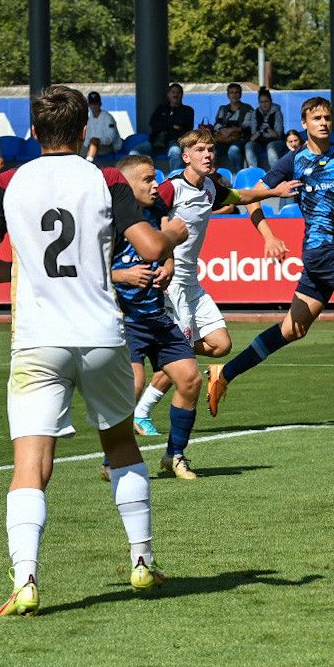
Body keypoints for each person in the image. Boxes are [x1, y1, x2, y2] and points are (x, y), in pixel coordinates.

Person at [0, 85, 168, 617]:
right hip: (100, 334)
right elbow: (150, 248)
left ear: (34, 131)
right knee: (120, 444)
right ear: (84, 132)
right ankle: (142, 561)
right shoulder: (106, 178)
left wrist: (27, 272)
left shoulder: (8, 182)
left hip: (38, 339)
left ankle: (25, 580)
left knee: (30, 464)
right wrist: (172, 233)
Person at [207, 97, 334, 417]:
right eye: (316, 118)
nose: (323, 122)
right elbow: (252, 199)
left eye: (327, 117)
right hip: (322, 251)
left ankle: (225, 373)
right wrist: (269, 236)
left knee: (292, 329)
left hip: (326, 253)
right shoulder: (292, 161)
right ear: (304, 124)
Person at [127, 129, 299, 456]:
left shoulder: (210, 187)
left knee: (221, 344)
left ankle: (164, 352)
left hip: (192, 282)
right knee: (182, 354)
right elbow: (148, 221)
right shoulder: (171, 188)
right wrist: (164, 259)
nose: (208, 155)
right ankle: (143, 411)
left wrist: (273, 191)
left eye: (210, 150)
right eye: (200, 150)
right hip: (172, 284)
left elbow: (240, 197)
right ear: (186, 156)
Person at [106, 155, 200, 481]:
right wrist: (123, 275)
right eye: (147, 179)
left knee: (190, 379)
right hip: (125, 319)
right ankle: (111, 459)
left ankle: (175, 455)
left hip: (157, 315)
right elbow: (88, 270)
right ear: (126, 184)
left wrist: (169, 263)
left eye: (156, 178)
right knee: (133, 385)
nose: (156, 186)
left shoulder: (157, 210)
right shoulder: (108, 220)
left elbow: (164, 247)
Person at [147, 83, 195, 169]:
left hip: (175, 141)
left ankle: (176, 177)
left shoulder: (188, 110)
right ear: (168, 94)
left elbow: (187, 128)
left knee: (175, 152)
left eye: (178, 92)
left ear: (182, 95)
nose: (175, 95)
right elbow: (153, 123)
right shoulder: (161, 108)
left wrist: (164, 123)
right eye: (173, 92)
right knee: (135, 152)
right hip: (155, 141)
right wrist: (173, 125)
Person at [211, 83, 253, 170]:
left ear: (240, 94)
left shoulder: (247, 108)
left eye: (237, 92)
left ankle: (237, 174)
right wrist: (223, 130)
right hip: (223, 139)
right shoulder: (223, 108)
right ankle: (216, 174)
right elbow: (217, 124)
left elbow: (248, 125)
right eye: (231, 92)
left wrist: (232, 129)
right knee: (212, 150)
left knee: (233, 150)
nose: (234, 95)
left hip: (241, 139)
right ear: (228, 95)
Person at [247, 86, 287, 169]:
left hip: (276, 142)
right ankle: (254, 172)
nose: (264, 104)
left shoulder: (277, 112)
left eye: (266, 101)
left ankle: (275, 173)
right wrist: (258, 133)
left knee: (271, 146)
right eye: (261, 102)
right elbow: (253, 136)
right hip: (260, 142)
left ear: (271, 101)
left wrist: (269, 130)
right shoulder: (255, 113)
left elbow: (278, 135)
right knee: (249, 145)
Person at [83, 91, 122, 166]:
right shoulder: (90, 118)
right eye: (92, 104)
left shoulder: (108, 117)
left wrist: (98, 141)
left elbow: (110, 139)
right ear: (89, 105)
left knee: (94, 141)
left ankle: (88, 164)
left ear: (100, 104)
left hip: (110, 147)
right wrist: (85, 146)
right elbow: (87, 137)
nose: (94, 106)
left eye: (96, 103)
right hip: (94, 146)